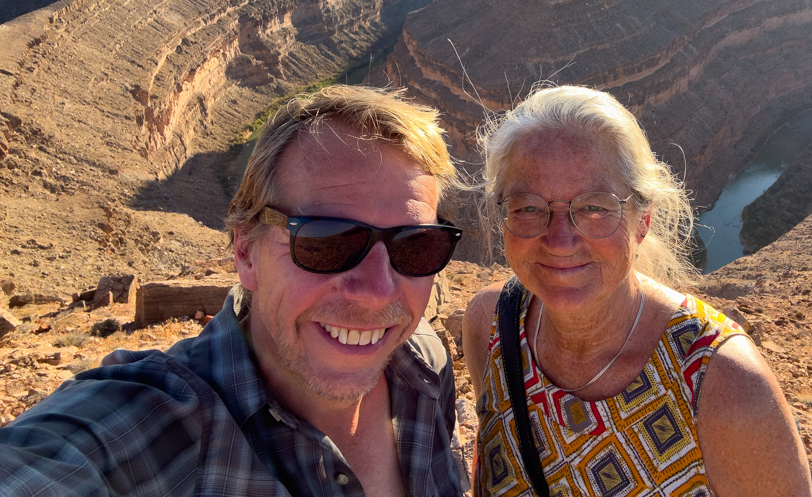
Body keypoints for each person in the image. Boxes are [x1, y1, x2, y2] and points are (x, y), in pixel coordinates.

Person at [0, 85, 466, 496]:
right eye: (327, 242)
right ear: (246, 252)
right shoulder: (153, 428)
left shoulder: (423, 365)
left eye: (417, 246)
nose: (378, 291)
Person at [463, 85, 812, 497]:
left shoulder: (725, 385)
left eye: (594, 207)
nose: (559, 240)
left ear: (642, 221)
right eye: (529, 207)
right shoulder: (492, 324)